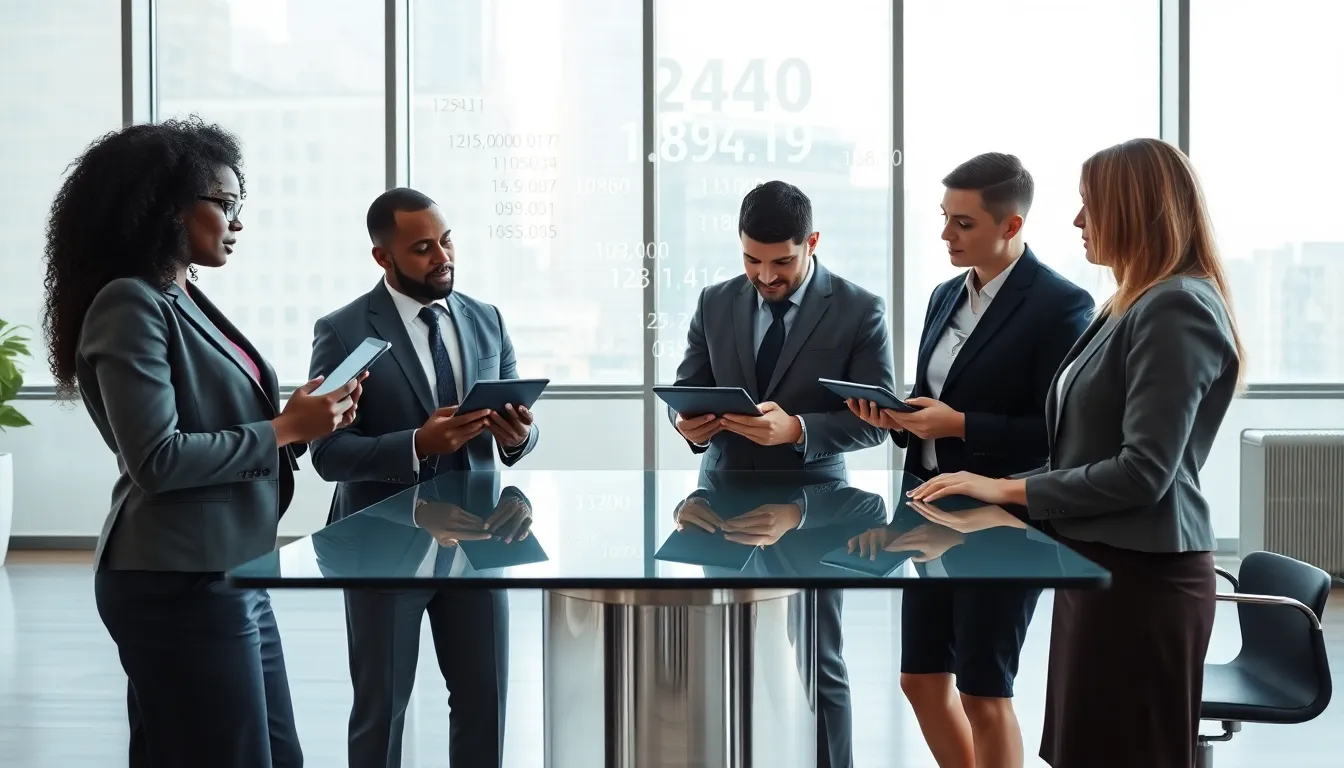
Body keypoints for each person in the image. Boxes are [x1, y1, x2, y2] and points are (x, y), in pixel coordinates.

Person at [908, 137, 1244, 768]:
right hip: (1099, 565)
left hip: (1143, 579)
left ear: (1135, 210)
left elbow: (1143, 472)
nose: (1077, 221)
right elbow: (1078, 447)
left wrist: (1005, 487)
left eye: (1091, 205)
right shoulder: (1130, 303)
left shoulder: (1175, 306)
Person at [42, 117, 362, 768]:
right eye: (225, 203)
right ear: (166, 209)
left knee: (264, 754)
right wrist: (284, 428)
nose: (238, 222)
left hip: (230, 569)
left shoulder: (181, 295)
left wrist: (304, 422)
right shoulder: (130, 304)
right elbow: (158, 459)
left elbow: (223, 431)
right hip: (174, 580)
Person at [846, 153, 1093, 768]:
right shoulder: (943, 296)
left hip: (1003, 521)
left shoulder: (1061, 305)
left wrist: (957, 423)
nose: (945, 235)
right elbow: (937, 396)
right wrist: (899, 418)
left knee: (984, 691)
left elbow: (1058, 432)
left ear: (1010, 226)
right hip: (929, 510)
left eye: (963, 224)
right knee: (922, 681)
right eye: (944, 218)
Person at [668, 180, 897, 768]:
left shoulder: (859, 308)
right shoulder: (714, 301)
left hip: (818, 508)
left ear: (812, 242)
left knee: (820, 661)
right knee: (719, 656)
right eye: (751, 259)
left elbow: (879, 423)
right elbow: (688, 388)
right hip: (721, 499)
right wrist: (685, 422)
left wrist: (797, 429)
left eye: (781, 262)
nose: (765, 276)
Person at [308, 187, 539, 768]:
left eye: (446, 239)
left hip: (480, 544)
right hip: (384, 548)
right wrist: (416, 444)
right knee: (382, 709)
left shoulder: (486, 320)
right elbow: (329, 453)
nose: (443, 257)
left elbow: (519, 427)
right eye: (421, 248)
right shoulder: (343, 331)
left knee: (485, 704)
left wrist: (519, 437)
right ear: (383, 258)